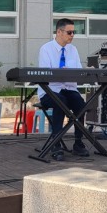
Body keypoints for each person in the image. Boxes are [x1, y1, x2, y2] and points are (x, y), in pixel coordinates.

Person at [37, 18, 90, 159]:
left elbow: (79, 72)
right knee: (60, 102)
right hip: (50, 91)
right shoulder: (46, 49)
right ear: (59, 32)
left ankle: (78, 143)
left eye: (74, 32)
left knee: (80, 104)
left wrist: (85, 72)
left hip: (69, 89)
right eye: (69, 32)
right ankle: (56, 144)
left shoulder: (73, 50)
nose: (72, 35)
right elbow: (45, 75)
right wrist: (62, 73)